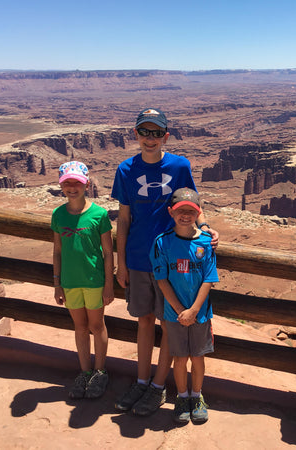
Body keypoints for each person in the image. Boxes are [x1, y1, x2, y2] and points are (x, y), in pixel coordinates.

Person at [111, 108, 218, 416]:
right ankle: (142, 381)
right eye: (145, 132)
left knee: (169, 324)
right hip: (138, 258)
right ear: (136, 135)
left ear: (165, 136)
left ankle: (158, 386)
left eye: (156, 133)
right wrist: (121, 262)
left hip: (174, 260)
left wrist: (206, 228)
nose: (150, 138)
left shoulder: (179, 165)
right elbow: (124, 217)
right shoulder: (125, 170)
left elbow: (194, 204)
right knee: (144, 321)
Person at [150, 188, 218, 424]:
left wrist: (194, 311)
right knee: (179, 358)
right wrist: (181, 311)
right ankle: (182, 397)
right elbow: (161, 280)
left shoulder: (205, 243)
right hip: (174, 315)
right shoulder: (162, 243)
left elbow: (209, 278)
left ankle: (197, 397)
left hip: (200, 315)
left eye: (192, 211)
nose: (186, 215)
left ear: (198, 213)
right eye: (181, 211)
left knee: (197, 358)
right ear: (171, 212)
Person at [51, 161, 114, 399]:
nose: (72, 187)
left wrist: (109, 284)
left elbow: (108, 252)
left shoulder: (99, 214)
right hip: (69, 282)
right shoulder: (58, 214)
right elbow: (57, 251)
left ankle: (100, 371)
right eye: (67, 182)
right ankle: (85, 372)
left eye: (76, 182)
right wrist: (57, 283)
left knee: (97, 326)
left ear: (86, 183)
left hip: (94, 281)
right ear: (61, 186)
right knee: (79, 327)